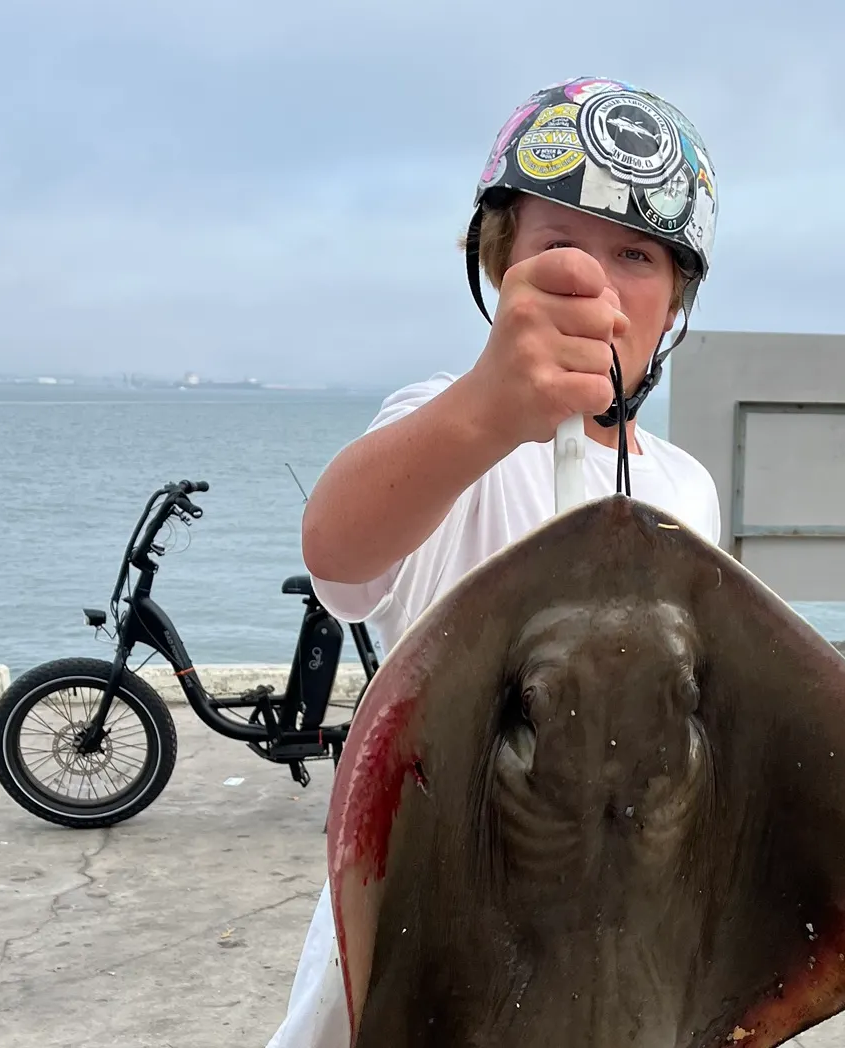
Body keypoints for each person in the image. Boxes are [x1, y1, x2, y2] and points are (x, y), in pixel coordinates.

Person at [263, 75, 722, 1048]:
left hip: (625, 931)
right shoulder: (451, 436)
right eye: (557, 247)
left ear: (676, 299)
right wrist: (483, 412)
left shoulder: (685, 487)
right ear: (496, 263)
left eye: (635, 252)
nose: (591, 282)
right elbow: (340, 559)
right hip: (427, 943)